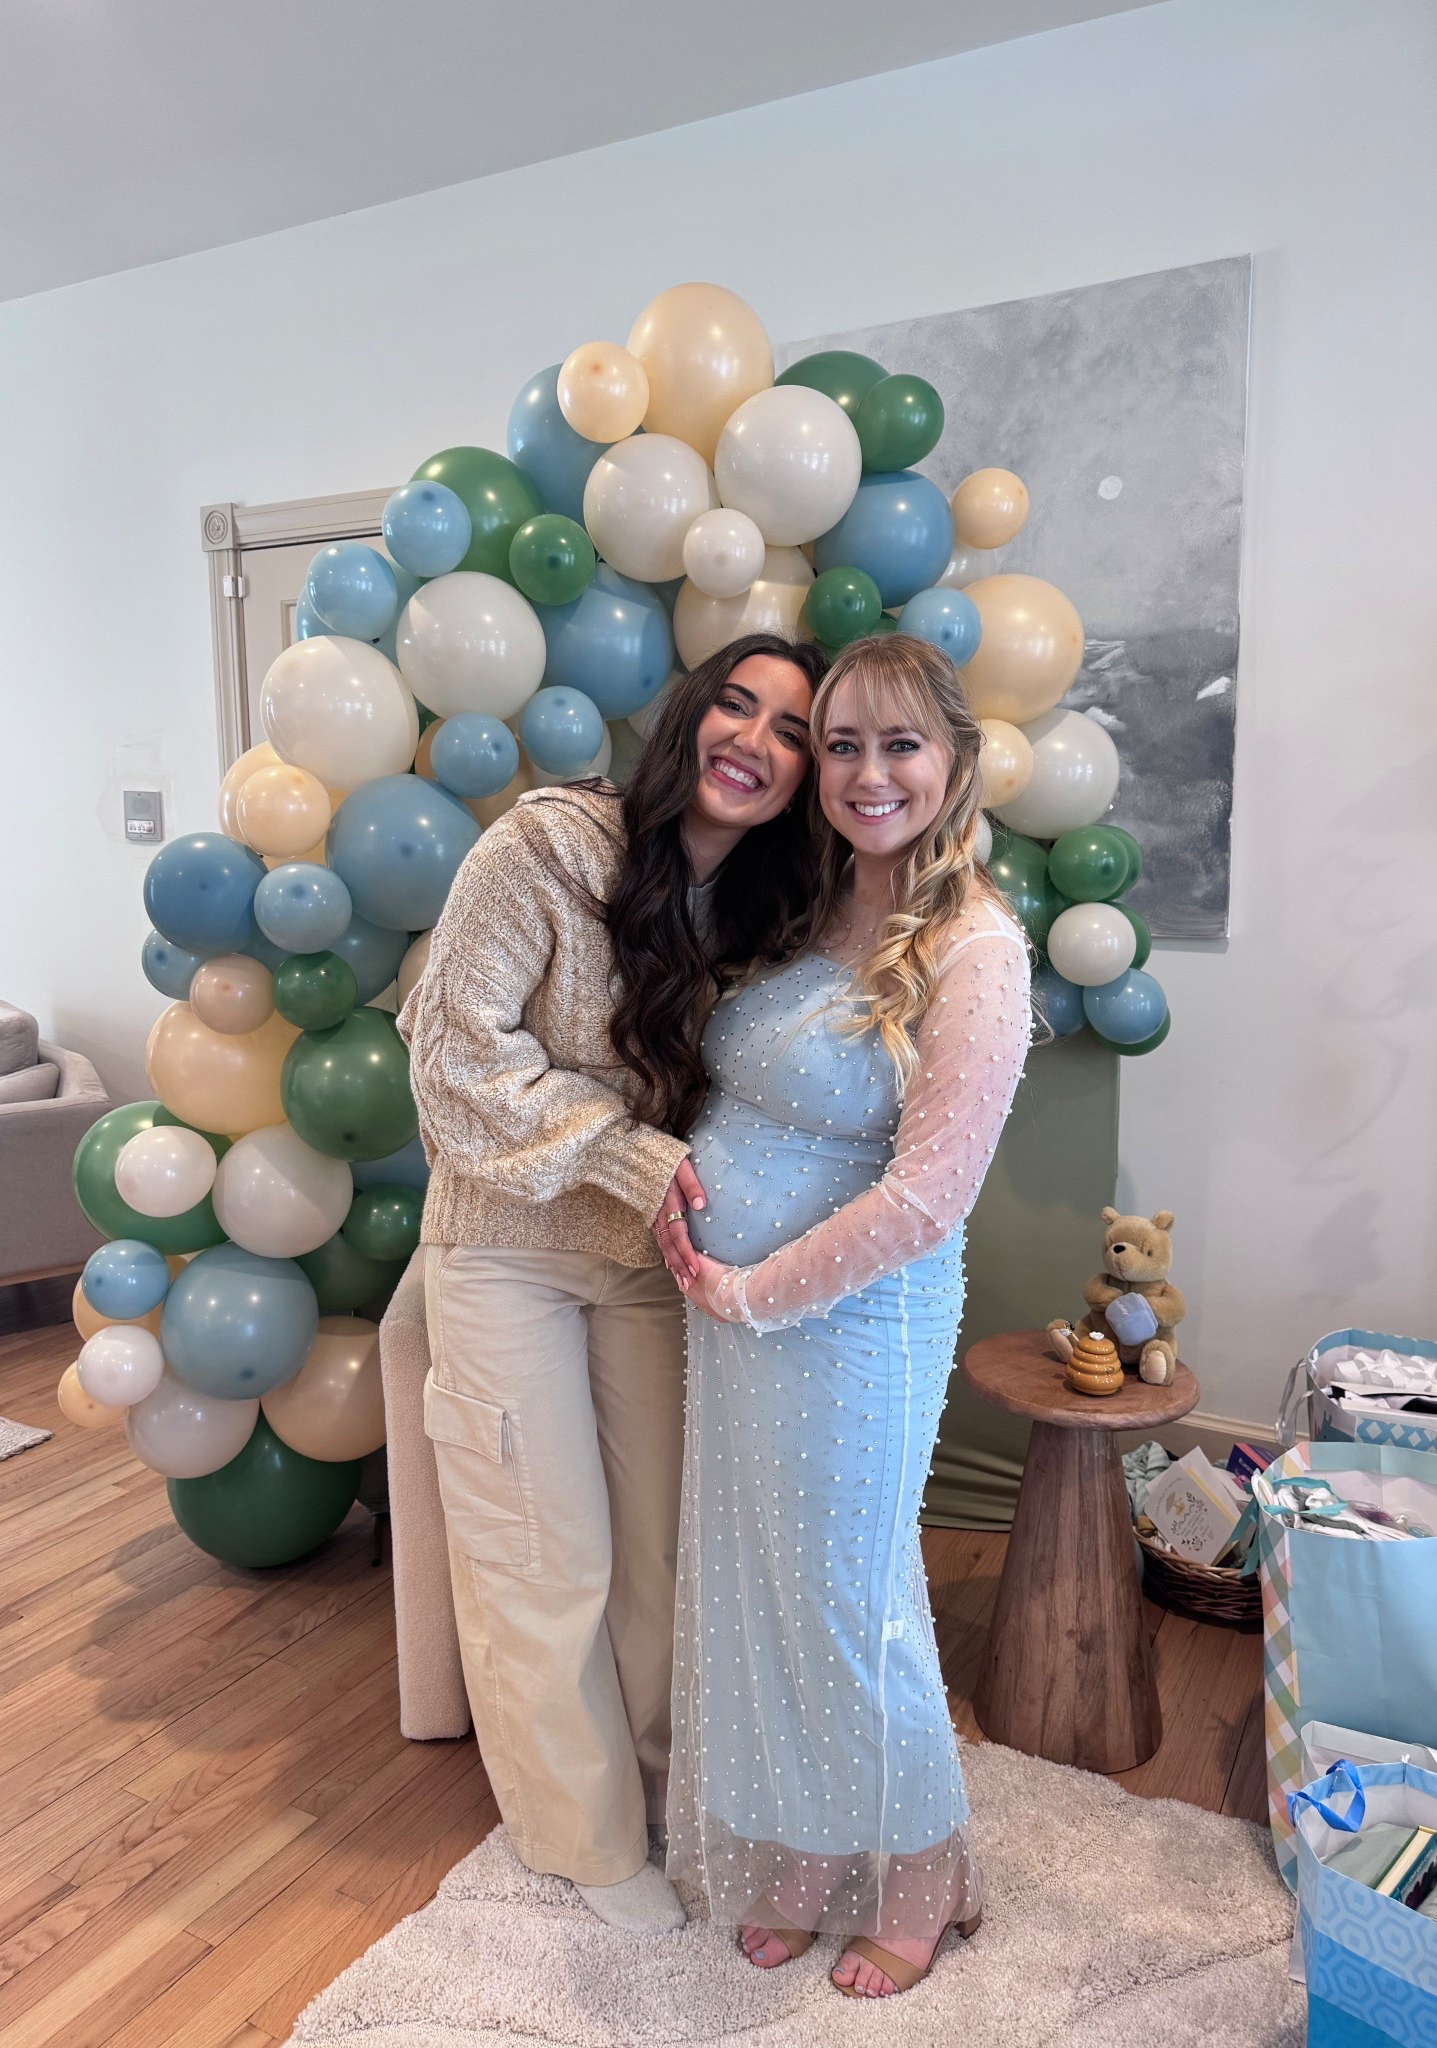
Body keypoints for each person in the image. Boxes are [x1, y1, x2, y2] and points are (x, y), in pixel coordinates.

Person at [398, 632, 828, 1934]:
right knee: (544, 1556)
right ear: (690, 714)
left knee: (662, 1557)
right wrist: (630, 1155)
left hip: (648, 1266)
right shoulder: (546, 844)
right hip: (505, 1252)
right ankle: (580, 1842)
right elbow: (453, 1059)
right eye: (737, 705)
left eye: (792, 731)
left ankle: (666, 1797)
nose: (754, 741)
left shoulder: (763, 914)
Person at [657, 634, 1031, 1995]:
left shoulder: (977, 948)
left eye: (901, 744)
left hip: (848, 1331)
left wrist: (751, 1289)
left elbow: (927, 1200)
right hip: (737, 1323)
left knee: (845, 1606)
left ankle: (924, 1871)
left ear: (955, 760)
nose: (870, 775)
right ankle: (813, 1848)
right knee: (762, 1588)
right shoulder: (811, 900)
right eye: (844, 745)